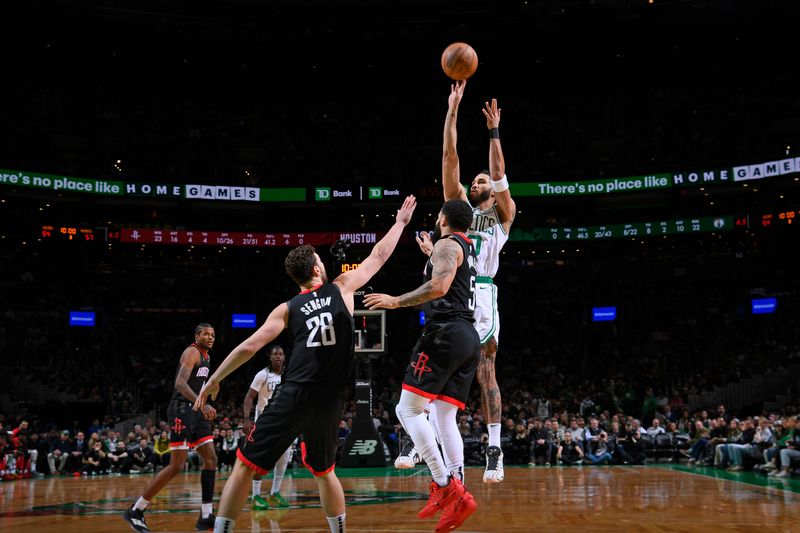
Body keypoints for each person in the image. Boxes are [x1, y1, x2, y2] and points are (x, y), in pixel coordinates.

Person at [194, 196, 416, 533]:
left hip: (295, 394)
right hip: (329, 399)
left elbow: (251, 346)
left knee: (244, 465)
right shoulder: (342, 288)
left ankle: (222, 529)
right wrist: (399, 223)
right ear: (316, 269)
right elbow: (379, 256)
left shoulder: (286, 308)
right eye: (319, 260)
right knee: (325, 472)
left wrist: (215, 380)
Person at [407, 79, 516, 484]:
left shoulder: (503, 214)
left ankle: (494, 449)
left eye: (482, 181)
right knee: (437, 357)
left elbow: (501, 172)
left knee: (486, 370)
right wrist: (452, 110)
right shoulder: (461, 213)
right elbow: (449, 157)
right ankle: (422, 438)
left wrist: (493, 132)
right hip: (456, 288)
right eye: (475, 181)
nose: (477, 182)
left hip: (484, 292)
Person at [365, 198, 480, 532]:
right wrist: (432, 253)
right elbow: (451, 276)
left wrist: (396, 301)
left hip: (444, 334)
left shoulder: (446, 244)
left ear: (443, 218)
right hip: (468, 337)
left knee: (408, 411)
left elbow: (441, 285)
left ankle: (445, 485)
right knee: (444, 417)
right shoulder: (462, 246)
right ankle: (460, 496)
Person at [122, 323, 219, 532]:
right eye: (205, 334)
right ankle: (136, 510)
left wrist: (211, 389)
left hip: (196, 410)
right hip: (182, 409)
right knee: (177, 465)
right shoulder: (191, 352)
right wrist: (202, 404)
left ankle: (206, 515)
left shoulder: (208, 357)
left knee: (211, 458)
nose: (210, 337)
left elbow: (199, 384)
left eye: (212, 334)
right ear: (197, 336)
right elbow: (180, 384)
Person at [243, 345, 293, 510]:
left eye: (280, 354)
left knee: (284, 457)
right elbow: (249, 397)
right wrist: (246, 419)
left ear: (284, 357)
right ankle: (256, 496)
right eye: (275, 354)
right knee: (260, 458)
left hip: (284, 421)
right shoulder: (262, 374)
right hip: (264, 420)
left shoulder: (288, 375)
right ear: (270, 357)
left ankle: (274, 493)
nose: (278, 357)